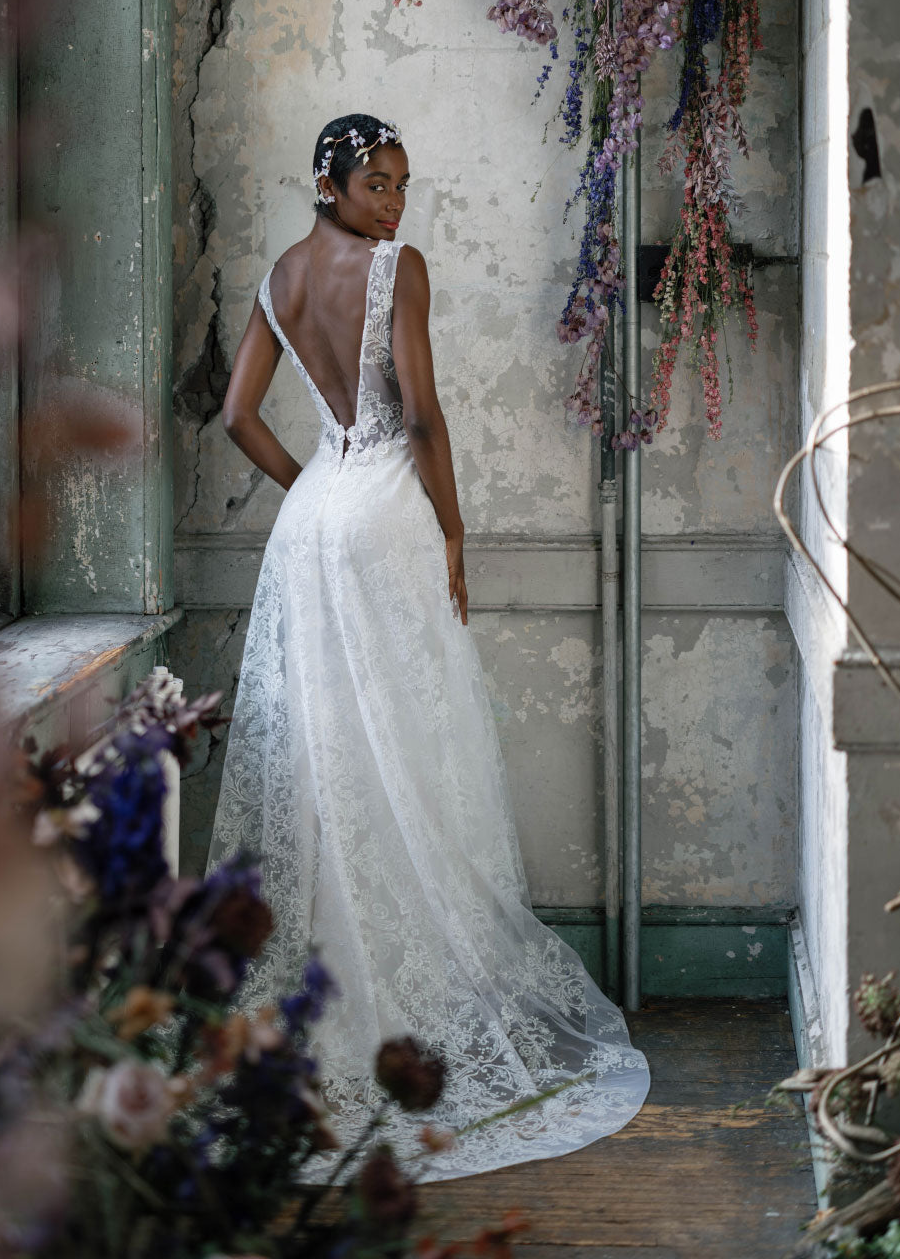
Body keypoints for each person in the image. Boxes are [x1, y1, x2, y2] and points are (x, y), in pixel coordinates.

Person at [206, 113, 649, 1180]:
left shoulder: (278, 275)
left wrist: (311, 490)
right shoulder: (398, 270)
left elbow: (236, 416)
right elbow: (425, 415)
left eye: (403, 182)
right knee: (409, 746)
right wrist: (454, 529)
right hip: (389, 515)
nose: (394, 201)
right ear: (329, 181)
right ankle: (401, 989)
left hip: (313, 524)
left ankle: (331, 993)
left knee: (330, 756)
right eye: (375, 182)